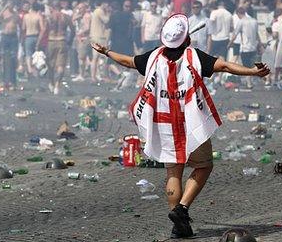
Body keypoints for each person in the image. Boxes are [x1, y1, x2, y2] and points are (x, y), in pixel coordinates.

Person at [90, 14, 270, 239]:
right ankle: (181, 209)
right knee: (204, 166)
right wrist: (254, 72)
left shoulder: (154, 56)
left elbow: (128, 61)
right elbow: (224, 66)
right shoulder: (194, 56)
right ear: (187, 39)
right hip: (191, 123)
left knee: (173, 171)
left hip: (164, 124)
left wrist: (106, 52)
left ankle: (178, 225)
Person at [228, 5, 261, 88]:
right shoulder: (254, 21)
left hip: (245, 47)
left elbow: (235, 34)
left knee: (246, 66)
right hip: (253, 47)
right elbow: (257, 34)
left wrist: (229, 44)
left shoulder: (241, 21)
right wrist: (260, 44)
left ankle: (249, 83)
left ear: (239, 13)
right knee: (252, 64)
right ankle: (253, 81)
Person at [46, 1, 74, 94]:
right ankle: (57, 86)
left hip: (51, 40)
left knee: (50, 65)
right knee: (61, 65)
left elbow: (44, 29)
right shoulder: (66, 17)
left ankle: (51, 83)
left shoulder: (49, 17)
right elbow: (73, 30)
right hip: (62, 40)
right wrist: (69, 40)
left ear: (52, 7)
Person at [0, 1, 20, 89]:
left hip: (13, 37)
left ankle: (13, 82)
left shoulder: (15, 14)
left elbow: (18, 23)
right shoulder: (4, 13)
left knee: (13, 58)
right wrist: (4, 8)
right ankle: (5, 81)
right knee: (4, 58)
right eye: (9, 4)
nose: (11, 6)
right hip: (5, 36)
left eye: (12, 4)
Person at [22, 2, 46, 78]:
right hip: (36, 36)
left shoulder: (26, 16)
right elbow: (43, 29)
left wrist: (22, 38)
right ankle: (36, 71)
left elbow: (23, 28)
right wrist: (40, 39)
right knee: (37, 55)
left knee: (28, 54)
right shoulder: (38, 16)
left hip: (28, 36)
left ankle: (29, 69)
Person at [90, 1, 111, 82]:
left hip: (94, 36)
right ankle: (104, 76)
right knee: (104, 57)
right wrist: (109, 12)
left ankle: (94, 77)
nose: (108, 6)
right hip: (99, 37)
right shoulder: (100, 11)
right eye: (107, 4)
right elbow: (107, 20)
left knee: (95, 58)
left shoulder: (96, 11)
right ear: (103, 3)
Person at [72, 2, 91, 82]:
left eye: (80, 8)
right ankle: (82, 73)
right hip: (80, 38)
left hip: (84, 38)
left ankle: (81, 75)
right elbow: (73, 20)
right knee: (81, 57)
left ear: (85, 8)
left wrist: (80, 32)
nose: (79, 10)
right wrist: (78, 14)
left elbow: (87, 27)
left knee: (82, 57)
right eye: (78, 8)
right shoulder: (81, 16)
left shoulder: (87, 16)